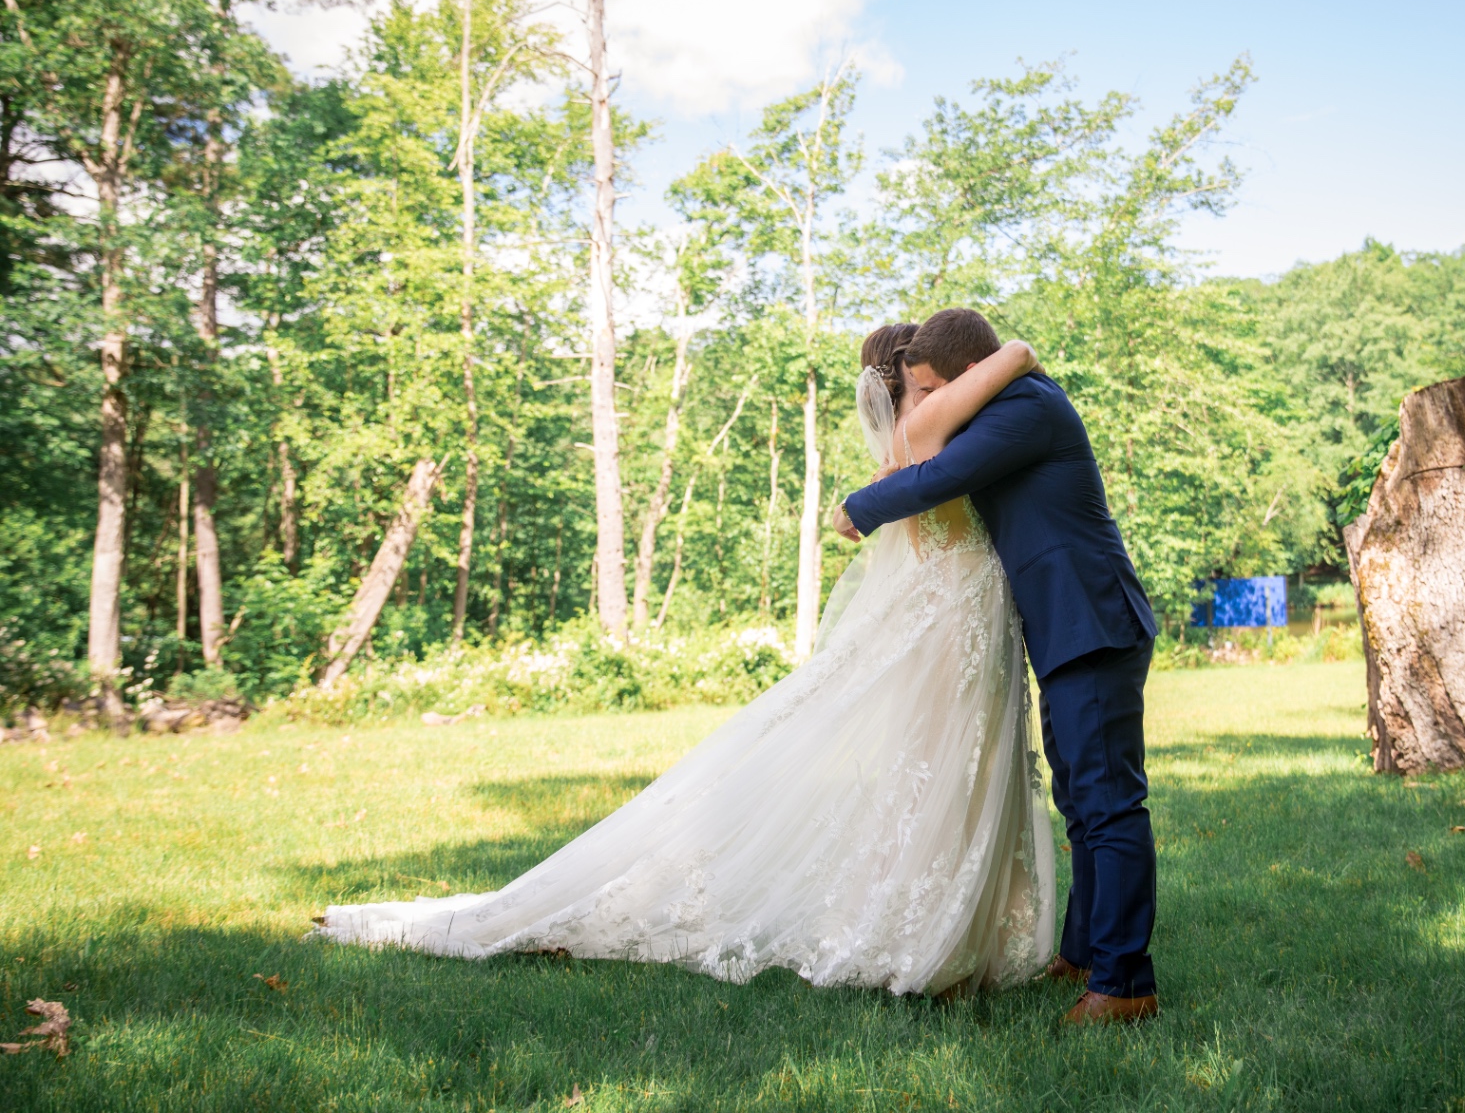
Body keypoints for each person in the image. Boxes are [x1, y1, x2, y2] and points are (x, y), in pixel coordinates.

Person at [315, 323, 1055, 1000]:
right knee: (948, 770)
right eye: (927, 380)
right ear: (910, 386)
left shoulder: (925, 429)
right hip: (957, 614)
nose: (943, 390)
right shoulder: (929, 425)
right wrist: (1009, 355)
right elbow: (1002, 372)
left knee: (959, 769)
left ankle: (952, 936)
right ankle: (931, 941)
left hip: (963, 614)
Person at [834, 307, 1161, 1026]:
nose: (927, 401)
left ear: (964, 378)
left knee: (1109, 807)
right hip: (1069, 628)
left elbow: (940, 475)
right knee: (1082, 802)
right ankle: (1083, 953)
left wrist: (858, 506)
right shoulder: (1011, 399)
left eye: (931, 387)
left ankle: (1126, 984)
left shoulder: (1025, 409)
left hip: (1092, 622)